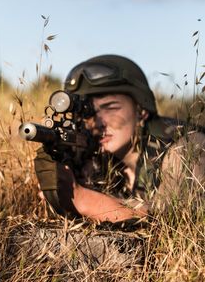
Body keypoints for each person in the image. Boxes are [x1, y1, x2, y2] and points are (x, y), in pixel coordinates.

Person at [34, 55, 205, 224]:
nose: (97, 123)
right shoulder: (97, 155)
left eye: (110, 108)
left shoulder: (188, 145)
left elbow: (171, 223)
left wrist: (82, 199)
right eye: (88, 114)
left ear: (141, 109)